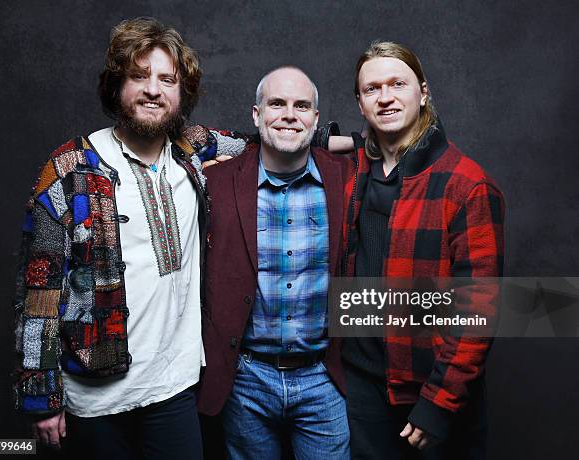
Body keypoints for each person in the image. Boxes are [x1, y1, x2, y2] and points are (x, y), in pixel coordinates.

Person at [12, 17, 238, 459]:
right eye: (139, 76)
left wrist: (354, 142)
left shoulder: (192, 150)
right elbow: (38, 291)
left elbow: (270, 140)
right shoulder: (70, 168)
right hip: (96, 397)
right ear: (117, 86)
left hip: (175, 385)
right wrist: (42, 399)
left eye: (167, 79)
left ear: (182, 93)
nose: (153, 89)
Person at [340, 41, 505, 459]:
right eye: (372, 89)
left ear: (423, 92)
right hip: (361, 388)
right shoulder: (353, 170)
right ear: (360, 103)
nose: (386, 97)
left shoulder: (465, 184)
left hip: (428, 393)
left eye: (398, 83)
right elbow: (282, 134)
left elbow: (478, 311)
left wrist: (439, 403)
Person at [198, 66, 351, 459]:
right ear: (255, 114)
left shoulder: (347, 179)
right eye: (276, 104)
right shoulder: (215, 182)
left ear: (316, 120)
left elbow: (392, 145)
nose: (288, 114)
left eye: (302, 106)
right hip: (246, 378)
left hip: (323, 378)